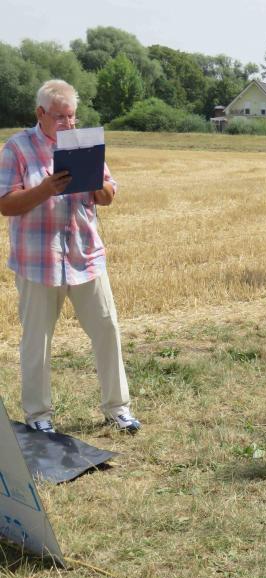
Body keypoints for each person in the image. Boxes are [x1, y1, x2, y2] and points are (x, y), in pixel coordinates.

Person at [0, 79, 140, 434]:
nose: (68, 123)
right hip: (38, 260)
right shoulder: (17, 148)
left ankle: (118, 408)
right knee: (37, 340)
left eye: (72, 116)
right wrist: (45, 189)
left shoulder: (84, 143)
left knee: (107, 329)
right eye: (60, 117)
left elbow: (108, 195)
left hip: (85, 255)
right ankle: (38, 415)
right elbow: (6, 204)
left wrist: (94, 181)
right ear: (40, 113)